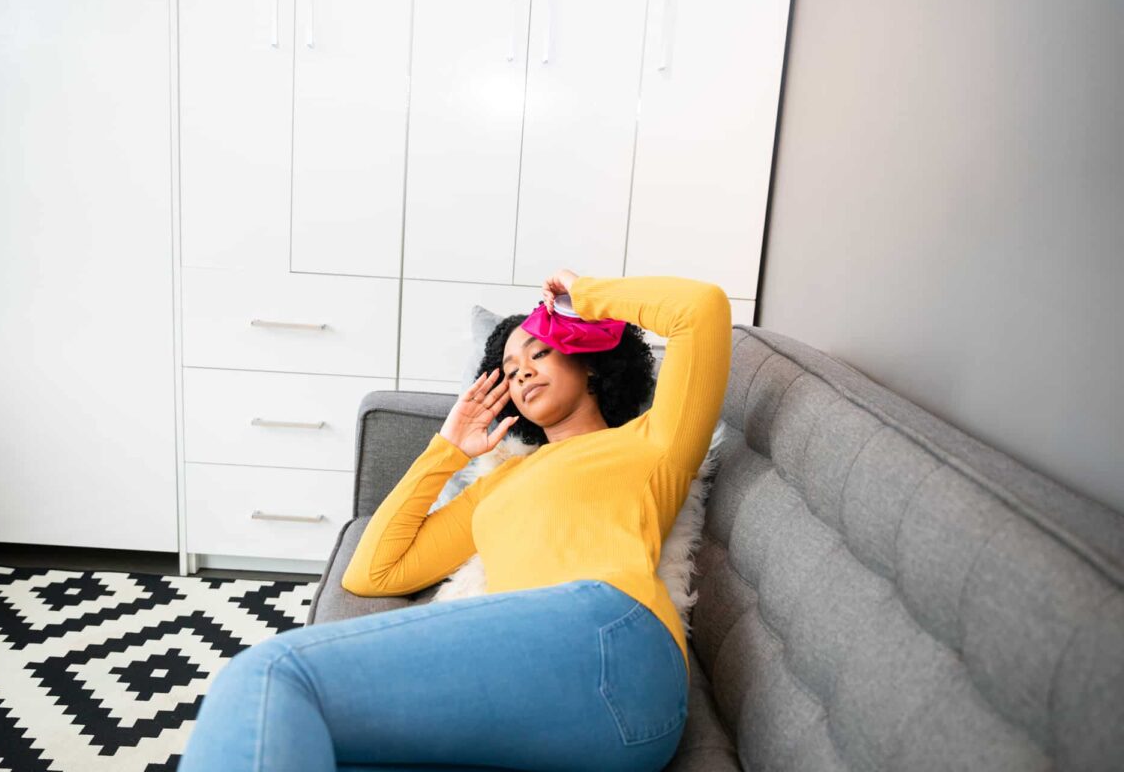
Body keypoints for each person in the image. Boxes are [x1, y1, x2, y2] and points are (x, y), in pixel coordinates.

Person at [178, 269, 733, 772]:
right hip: (564, 709)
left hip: (613, 641)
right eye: (509, 371)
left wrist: (579, 298)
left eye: (540, 352)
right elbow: (374, 573)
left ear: (588, 359)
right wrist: (447, 449)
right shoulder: (498, 484)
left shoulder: (652, 442)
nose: (522, 373)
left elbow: (701, 308)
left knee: (269, 673)